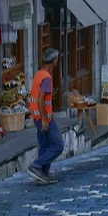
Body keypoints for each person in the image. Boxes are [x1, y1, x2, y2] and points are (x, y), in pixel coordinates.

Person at [27, 48, 64, 184]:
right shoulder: (47, 78)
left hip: (36, 117)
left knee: (45, 145)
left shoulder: (39, 74)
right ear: (54, 62)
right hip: (44, 118)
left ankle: (42, 175)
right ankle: (36, 166)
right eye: (57, 60)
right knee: (58, 145)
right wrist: (45, 120)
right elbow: (40, 100)